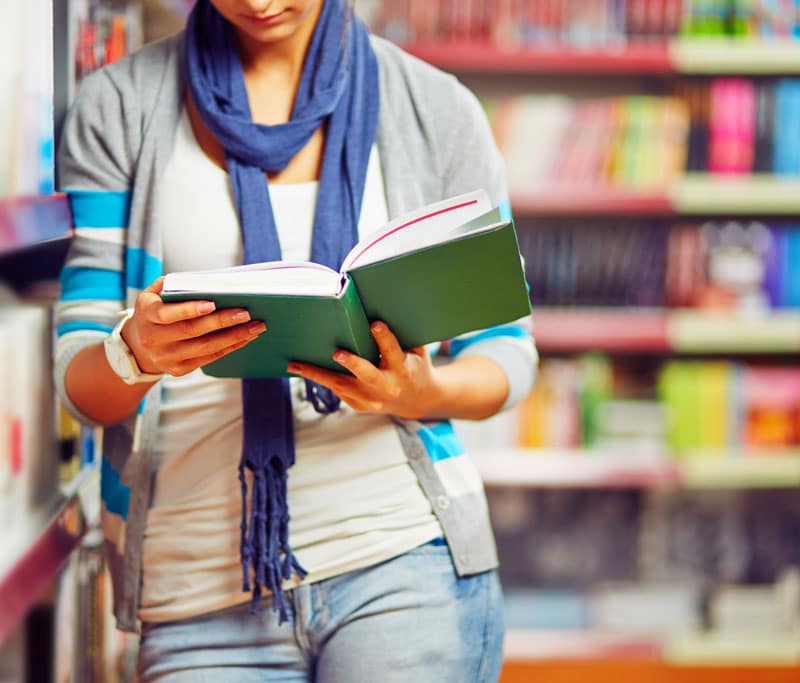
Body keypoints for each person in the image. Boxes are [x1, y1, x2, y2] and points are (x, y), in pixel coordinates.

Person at [54, 1, 537, 680]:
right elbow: (80, 383)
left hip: (404, 563)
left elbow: (508, 354)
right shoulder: (118, 108)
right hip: (197, 592)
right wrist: (133, 352)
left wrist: (417, 391)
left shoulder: (436, 108)